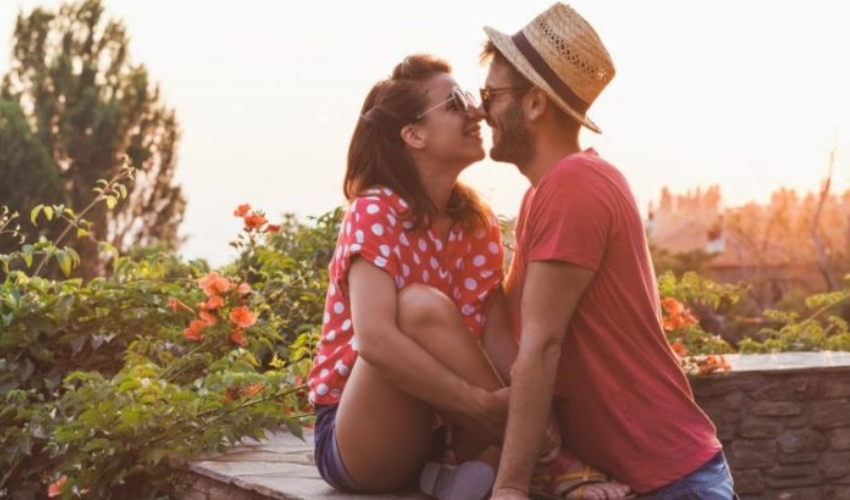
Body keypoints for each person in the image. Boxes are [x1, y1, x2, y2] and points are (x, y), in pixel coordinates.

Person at [479, 4, 737, 499]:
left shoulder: (575, 185)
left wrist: (509, 488)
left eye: (492, 95)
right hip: (634, 479)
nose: (481, 109)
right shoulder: (544, 194)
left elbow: (541, 346)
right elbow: (507, 332)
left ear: (534, 103)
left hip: (669, 482)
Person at [307, 53, 515, 500]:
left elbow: (499, 344)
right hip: (359, 435)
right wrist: (482, 408)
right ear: (413, 134)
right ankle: (524, 451)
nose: (476, 111)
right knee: (419, 307)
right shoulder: (375, 211)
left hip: (442, 431)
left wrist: (530, 400)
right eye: (456, 102)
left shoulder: (476, 224)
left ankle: (487, 459)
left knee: (543, 358)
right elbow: (375, 340)